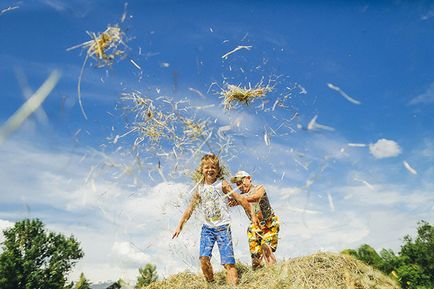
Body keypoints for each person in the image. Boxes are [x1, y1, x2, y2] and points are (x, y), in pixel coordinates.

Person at [172, 154, 259, 286]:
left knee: (228, 262)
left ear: (218, 170)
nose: (210, 170)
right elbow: (190, 209)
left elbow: (240, 199)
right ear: (202, 170)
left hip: (223, 228)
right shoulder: (200, 188)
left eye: (213, 167)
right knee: (203, 259)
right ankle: (211, 284)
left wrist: (252, 215)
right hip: (207, 229)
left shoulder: (222, 184)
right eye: (207, 167)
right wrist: (179, 226)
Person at [230, 171, 280, 270]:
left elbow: (256, 197)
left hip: (269, 222)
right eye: (237, 184)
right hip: (254, 226)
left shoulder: (259, 188)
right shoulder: (240, 196)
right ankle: (258, 276)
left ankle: (273, 273)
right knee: (255, 256)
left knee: (266, 248)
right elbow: (230, 202)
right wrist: (230, 200)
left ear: (249, 178)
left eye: (241, 181)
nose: (239, 185)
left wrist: (240, 199)